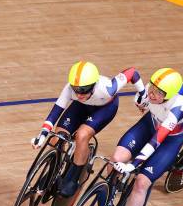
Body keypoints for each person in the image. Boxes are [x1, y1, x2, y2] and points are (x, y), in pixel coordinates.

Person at [103, 67, 183, 206]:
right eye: (152, 88)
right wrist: (138, 93)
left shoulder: (179, 107)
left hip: (167, 142)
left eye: (158, 93)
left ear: (170, 94)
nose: (152, 93)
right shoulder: (150, 92)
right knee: (116, 159)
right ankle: (106, 203)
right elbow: (133, 73)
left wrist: (134, 164)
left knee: (141, 182)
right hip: (147, 126)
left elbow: (158, 139)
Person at [31, 61, 146, 198]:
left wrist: (142, 93)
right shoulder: (70, 89)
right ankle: (51, 173)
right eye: (76, 89)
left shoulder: (108, 88)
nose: (79, 93)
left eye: (83, 89)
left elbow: (132, 72)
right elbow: (55, 112)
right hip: (81, 106)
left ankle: (73, 178)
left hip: (104, 109)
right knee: (58, 137)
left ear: (94, 85)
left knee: (82, 135)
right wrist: (43, 134)